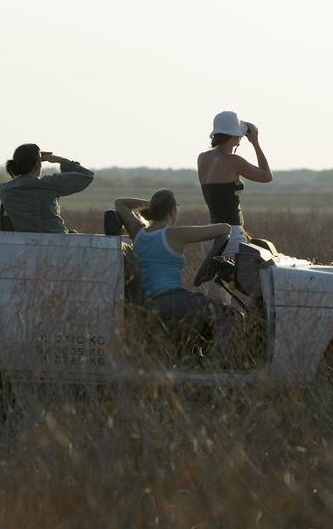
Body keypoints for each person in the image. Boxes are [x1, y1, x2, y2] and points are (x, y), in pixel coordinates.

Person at [114, 190, 239, 361]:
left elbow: (120, 203)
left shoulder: (138, 233)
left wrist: (151, 204)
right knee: (231, 316)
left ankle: (193, 361)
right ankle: (220, 366)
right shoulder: (176, 234)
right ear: (172, 211)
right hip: (173, 299)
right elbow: (225, 228)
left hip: (150, 305)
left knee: (201, 322)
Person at [197, 111, 273, 255]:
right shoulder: (234, 161)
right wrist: (255, 143)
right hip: (230, 235)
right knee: (240, 277)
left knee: (216, 278)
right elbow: (266, 176)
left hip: (209, 233)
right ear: (234, 136)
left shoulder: (202, 158)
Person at [0, 143, 94, 233]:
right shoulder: (49, 184)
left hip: (24, 244)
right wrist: (59, 160)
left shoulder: (5, 190)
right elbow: (87, 175)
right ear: (38, 164)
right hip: (56, 241)